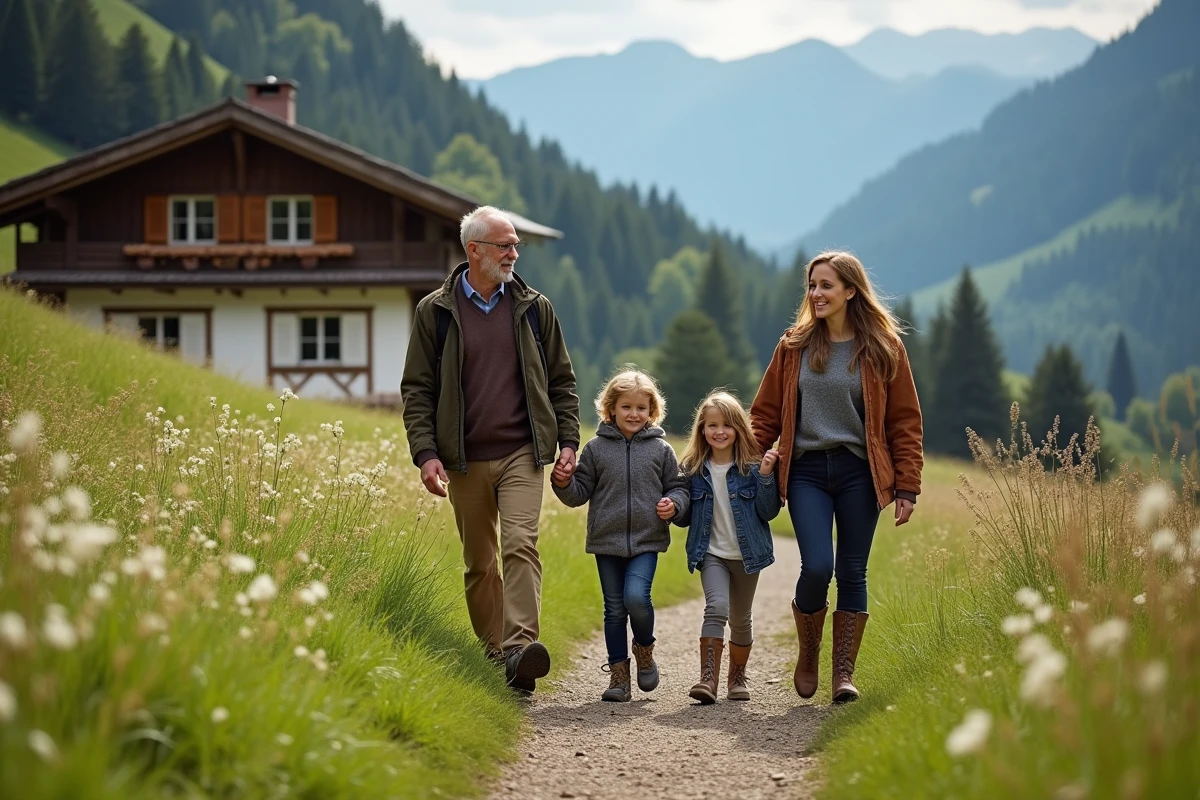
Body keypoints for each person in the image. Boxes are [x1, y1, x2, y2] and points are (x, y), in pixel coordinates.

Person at [400, 205, 580, 695]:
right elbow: (417, 389)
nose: (515, 253)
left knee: (521, 544)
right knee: (480, 562)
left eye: (516, 244)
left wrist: (568, 441)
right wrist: (425, 453)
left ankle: (521, 648)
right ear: (474, 249)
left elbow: (562, 382)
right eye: (506, 245)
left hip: (523, 452)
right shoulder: (434, 313)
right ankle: (496, 653)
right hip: (462, 458)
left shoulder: (534, 307)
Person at [750, 250, 923, 703]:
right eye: (812, 286)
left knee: (851, 570)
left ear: (851, 290)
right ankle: (809, 650)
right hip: (806, 469)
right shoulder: (793, 346)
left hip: (859, 473)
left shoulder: (885, 348)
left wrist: (907, 484)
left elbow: (904, 421)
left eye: (826, 285)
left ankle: (843, 673)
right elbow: (764, 415)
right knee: (817, 567)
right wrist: (742, 464)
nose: (816, 294)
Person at [551, 369, 690, 702]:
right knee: (614, 610)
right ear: (611, 409)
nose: (634, 414)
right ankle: (618, 677)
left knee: (636, 598)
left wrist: (675, 505)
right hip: (607, 542)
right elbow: (578, 493)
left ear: (652, 411)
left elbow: (679, 487)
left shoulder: (662, 450)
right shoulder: (596, 449)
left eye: (642, 408)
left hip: (647, 540)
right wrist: (562, 481)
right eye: (626, 407)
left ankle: (644, 650)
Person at [675, 391, 781, 704]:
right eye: (711, 425)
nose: (719, 431)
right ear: (701, 430)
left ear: (738, 428)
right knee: (716, 606)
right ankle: (708, 680)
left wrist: (764, 476)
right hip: (711, 554)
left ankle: (737, 677)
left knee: (740, 618)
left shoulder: (752, 467)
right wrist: (672, 507)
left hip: (748, 556)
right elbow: (684, 517)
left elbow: (768, 511)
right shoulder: (693, 469)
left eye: (726, 425)